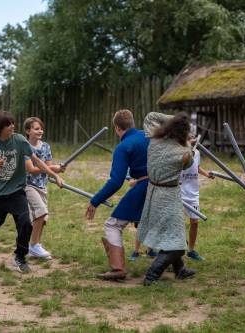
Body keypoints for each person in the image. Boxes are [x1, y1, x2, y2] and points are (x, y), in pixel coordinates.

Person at [0, 111, 63, 273]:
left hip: (16, 193)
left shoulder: (19, 140)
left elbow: (37, 161)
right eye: (8, 124)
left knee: (25, 222)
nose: (12, 126)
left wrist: (54, 175)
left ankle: (20, 256)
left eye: (12, 123)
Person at [85, 109, 150, 280]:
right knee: (159, 223)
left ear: (116, 128)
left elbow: (116, 181)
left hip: (144, 187)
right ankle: (178, 263)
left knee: (112, 225)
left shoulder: (123, 147)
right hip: (165, 187)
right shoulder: (150, 136)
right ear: (132, 123)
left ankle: (117, 268)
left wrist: (95, 200)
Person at [138, 112, 196, 286]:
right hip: (168, 197)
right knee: (178, 244)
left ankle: (180, 269)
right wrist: (188, 144)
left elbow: (149, 116)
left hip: (153, 192)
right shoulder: (184, 152)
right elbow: (189, 163)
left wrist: (175, 120)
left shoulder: (154, 140)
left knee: (170, 235)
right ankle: (151, 276)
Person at [23, 117, 65, 259]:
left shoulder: (45, 146)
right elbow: (31, 169)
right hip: (29, 186)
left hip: (42, 186)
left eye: (41, 128)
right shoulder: (24, 147)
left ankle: (35, 246)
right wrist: (53, 169)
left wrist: (56, 170)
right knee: (40, 212)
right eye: (36, 128)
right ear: (28, 131)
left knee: (43, 218)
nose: (40, 130)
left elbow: (48, 165)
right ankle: (34, 245)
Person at [180, 139, 214, 261]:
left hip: (193, 194)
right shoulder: (178, 152)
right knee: (178, 223)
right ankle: (179, 247)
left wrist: (206, 174)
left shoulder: (197, 153)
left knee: (195, 222)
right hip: (179, 193)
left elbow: (197, 167)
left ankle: (191, 250)